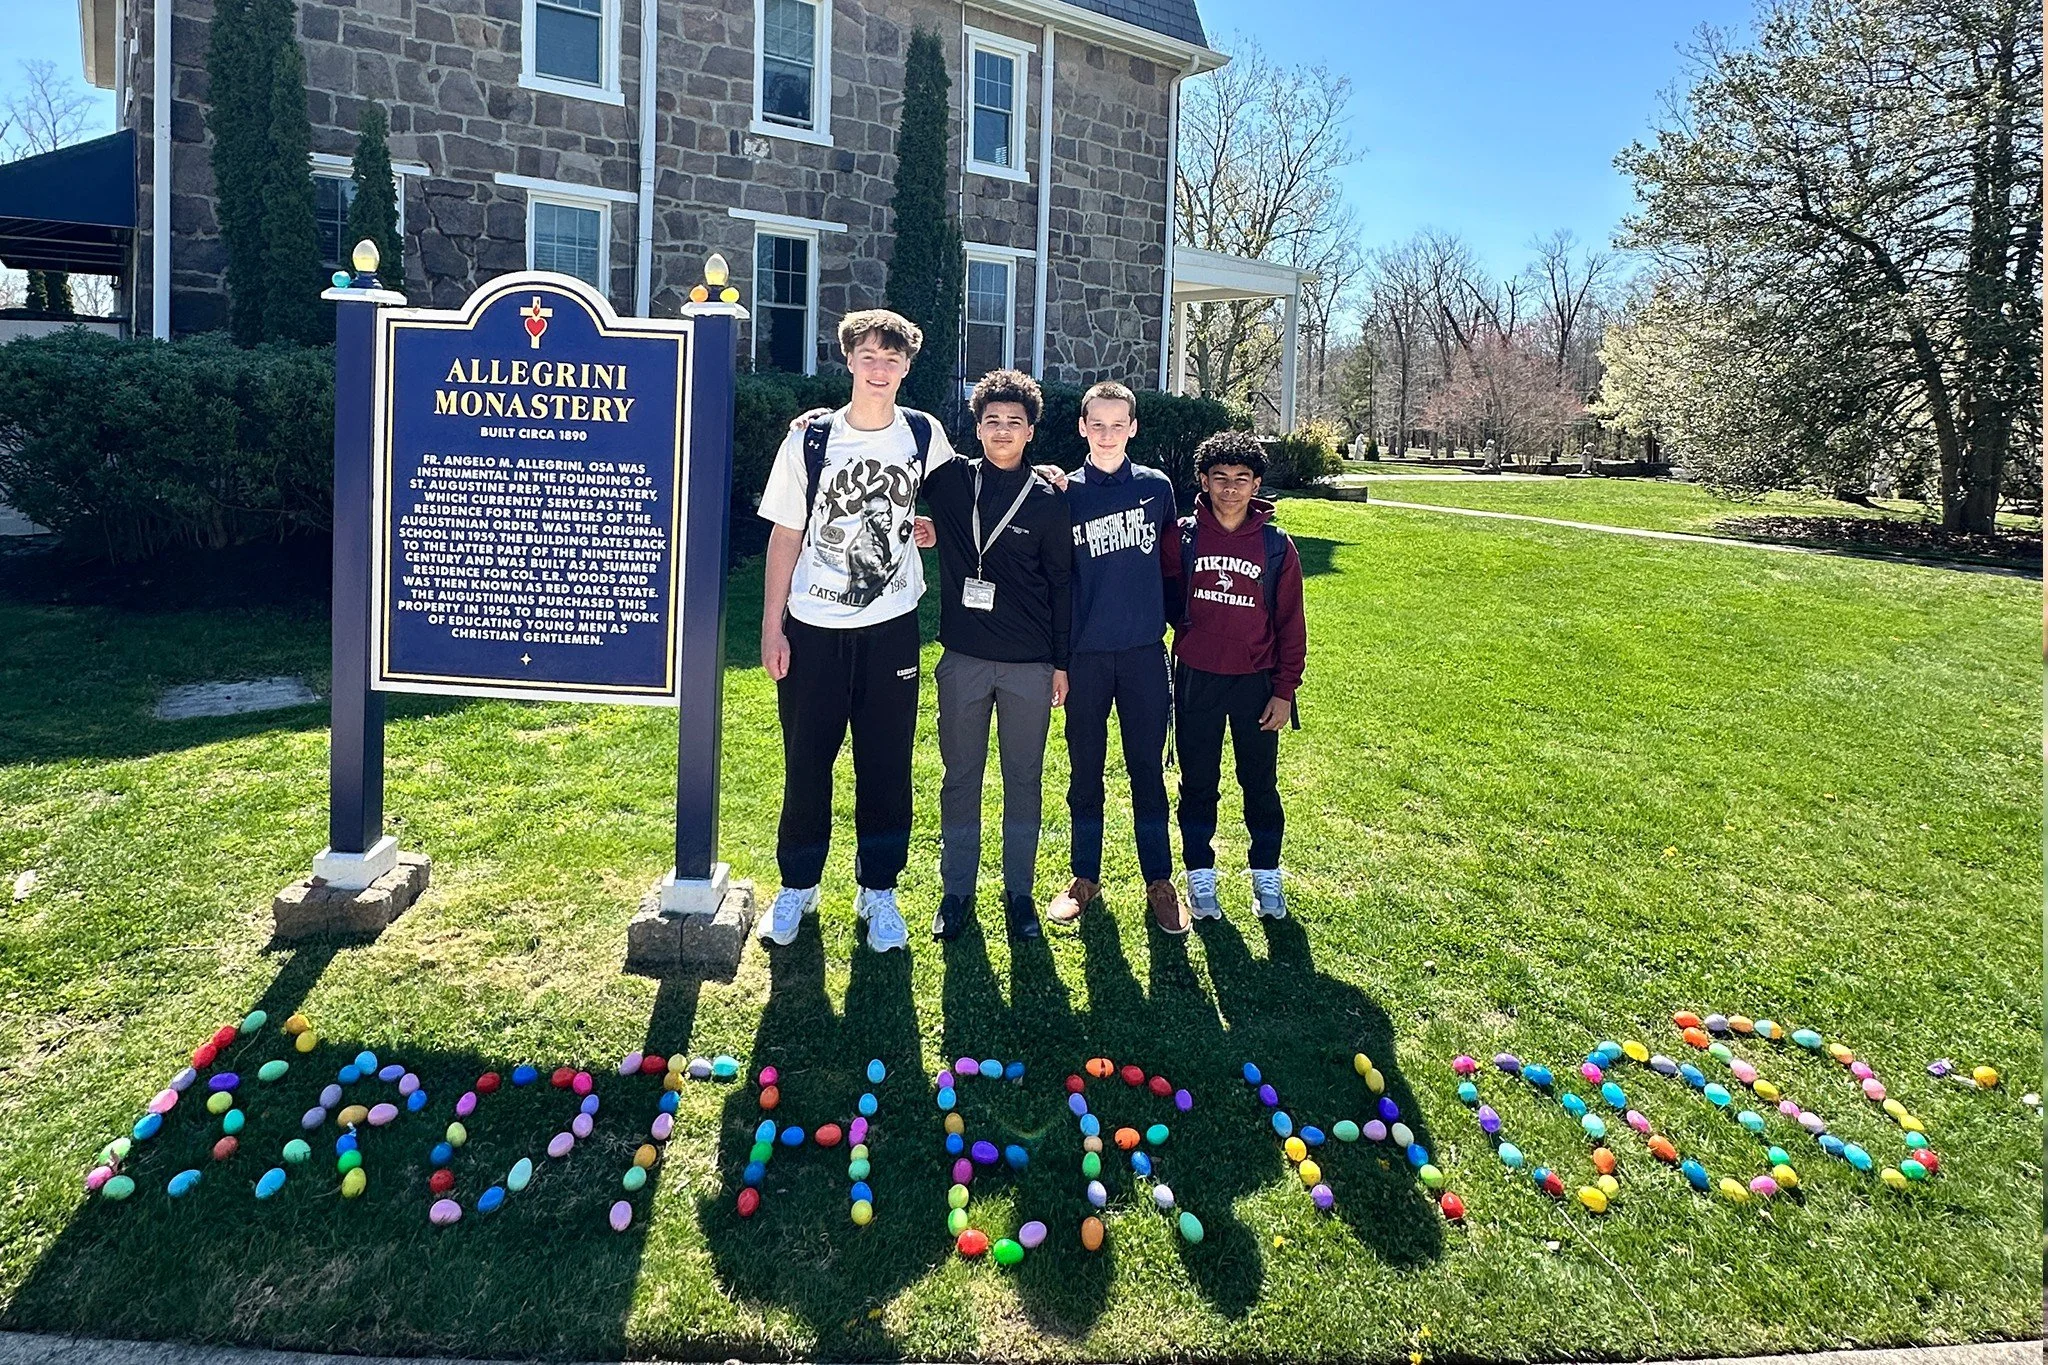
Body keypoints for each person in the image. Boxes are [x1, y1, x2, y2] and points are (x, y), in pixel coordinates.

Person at [753, 309, 957, 953]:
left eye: (891, 358)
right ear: (848, 360)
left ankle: (879, 892)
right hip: (813, 626)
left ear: (906, 366)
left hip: (891, 627)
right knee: (807, 761)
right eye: (868, 356)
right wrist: (771, 626)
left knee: (887, 763)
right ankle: (799, 885)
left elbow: (964, 498)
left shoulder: (924, 434)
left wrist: (930, 526)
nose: (879, 368)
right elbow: (786, 534)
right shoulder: (809, 441)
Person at [922, 369, 1073, 943]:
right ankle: (956, 892)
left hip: (1030, 666)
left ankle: (1019, 893)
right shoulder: (953, 481)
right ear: (977, 427)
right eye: (992, 422)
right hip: (963, 659)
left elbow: (1062, 583)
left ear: (1031, 431)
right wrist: (818, 424)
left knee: (1023, 780)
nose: (1003, 431)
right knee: (960, 777)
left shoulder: (1050, 498)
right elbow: (887, 445)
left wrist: (1060, 664)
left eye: (1015, 422)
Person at [1044, 381, 1188, 935]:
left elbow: (1173, 565)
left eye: (1117, 424)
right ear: (1082, 427)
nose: (1107, 434)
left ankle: (1158, 878)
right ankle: (1085, 877)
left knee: (1147, 770)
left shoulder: (1156, 488)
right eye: (1096, 424)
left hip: (1143, 654)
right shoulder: (1063, 490)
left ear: (1133, 428)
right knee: (1085, 770)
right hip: (1085, 656)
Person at [1168, 430, 1307, 921]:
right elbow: (1164, 596)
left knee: (1260, 782)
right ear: (1203, 481)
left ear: (1257, 485)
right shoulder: (1183, 536)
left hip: (1256, 681)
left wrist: (1284, 691)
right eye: (1220, 478)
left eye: (1241, 479)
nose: (1230, 488)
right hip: (1197, 677)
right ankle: (1200, 875)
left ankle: (1266, 874)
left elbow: (1291, 625)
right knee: (1198, 781)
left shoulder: (1275, 546)